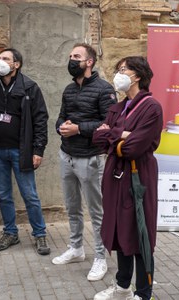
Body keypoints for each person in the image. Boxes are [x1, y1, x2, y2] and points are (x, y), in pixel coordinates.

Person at [92, 56, 163, 300]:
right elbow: (97, 138)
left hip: (138, 176)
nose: (119, 74)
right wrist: (120, 134)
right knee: (120, 229)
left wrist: (112, 135)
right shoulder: (118, 107)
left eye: (124, 70)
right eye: (119, 69)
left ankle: (143, 293)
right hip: (115, 176)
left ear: (138, 76)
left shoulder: (151, 107)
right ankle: (123, 286)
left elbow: (134, 147)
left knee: (139, 231)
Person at [0, 48, 50, 256]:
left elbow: (41, 120)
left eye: (5, 59)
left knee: (30, 194)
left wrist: (38, 150)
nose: (0, 62)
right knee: (3, 194)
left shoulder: (29, 87)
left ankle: (40, 233)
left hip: (21, 151)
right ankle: (10, 232)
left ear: (16, 64)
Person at [52, 43, 117, 281]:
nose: (71, 60)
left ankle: (100, 257)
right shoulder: (69, 89)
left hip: (91, 159)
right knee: (72, 207)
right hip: (66, 155)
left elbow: (108, 125)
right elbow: (60, 116)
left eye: (76, 57)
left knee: (96, 211)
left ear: (89, 62)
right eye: (70, 56)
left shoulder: (104, 90)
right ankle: (76, 249)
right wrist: (61, 127)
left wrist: (78, 129)